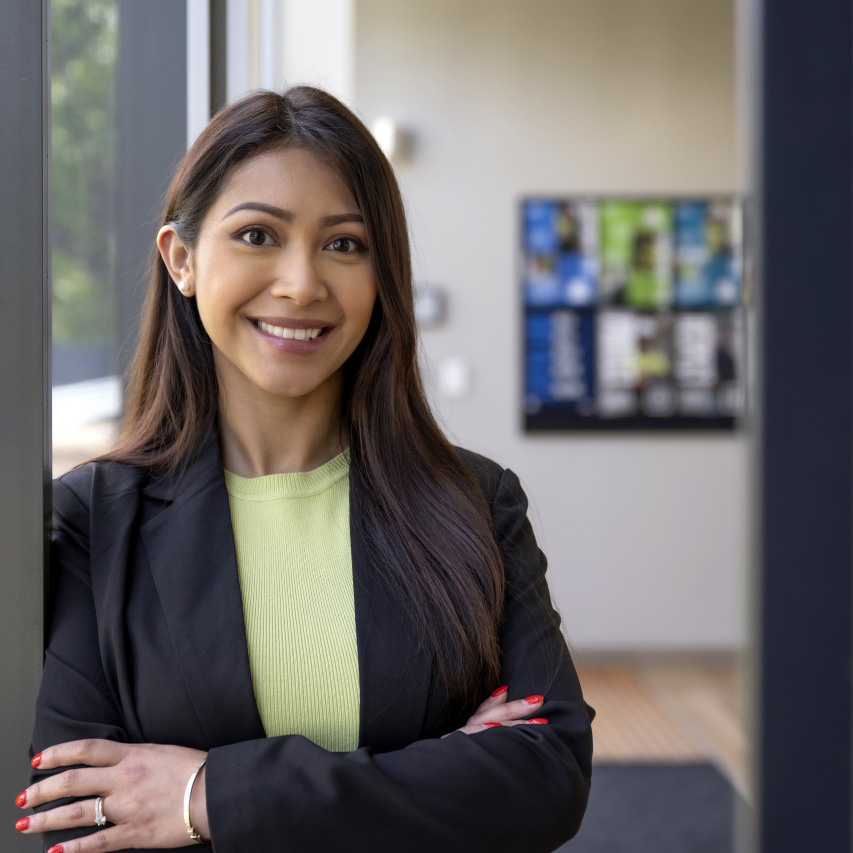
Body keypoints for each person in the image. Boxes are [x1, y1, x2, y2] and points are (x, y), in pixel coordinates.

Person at [17, 86, 594, 853]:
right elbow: (80, 813)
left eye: (344, 244)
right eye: (258, 234)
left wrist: (205, 793)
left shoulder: (475, 501)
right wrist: (430, 771)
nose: (301, 283)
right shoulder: (93, 521)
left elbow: (545, 776)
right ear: (182, 259)